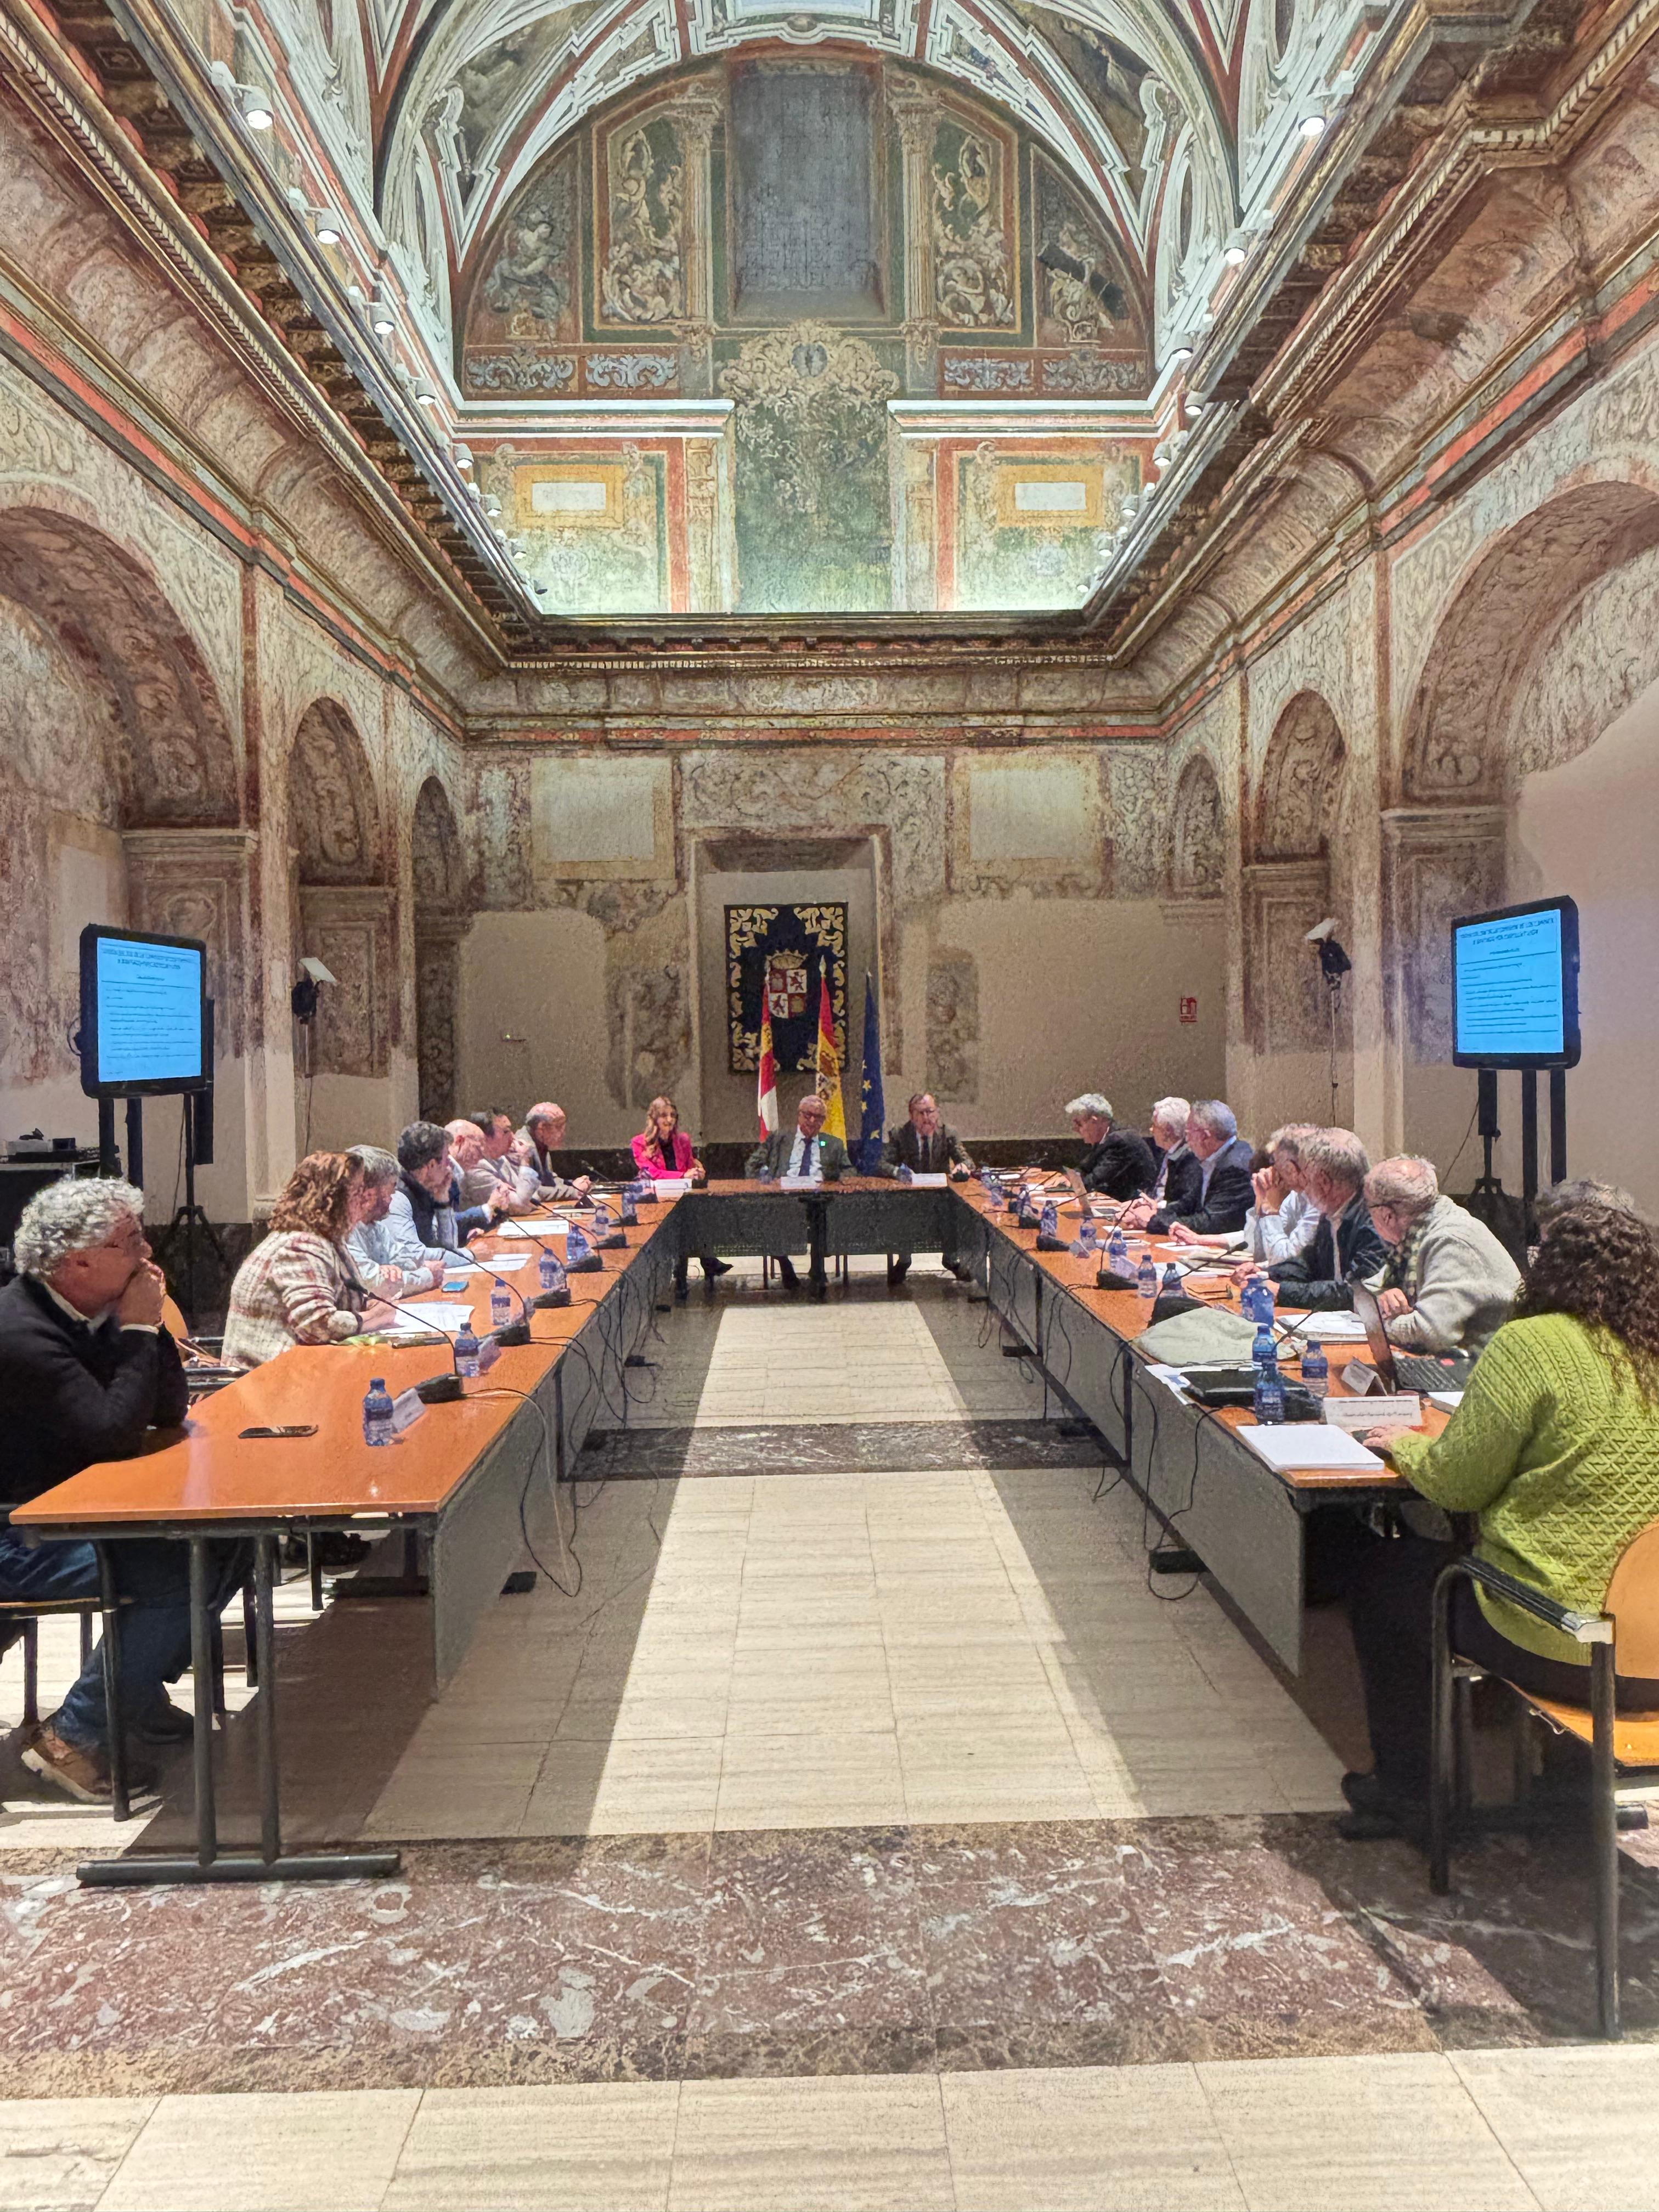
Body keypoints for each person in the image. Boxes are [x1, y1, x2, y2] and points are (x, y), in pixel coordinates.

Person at [1342, 1199, 1659, 1839]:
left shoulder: (1530, 1345)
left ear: (1548, 1270)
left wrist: (1402, 1443)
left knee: (1386, 1582)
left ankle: (1412, 1795)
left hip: (1565, 1644)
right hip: (1653, 1650)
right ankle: (1571, 1790)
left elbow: (1459, 1485)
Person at [0, 1180, 249, 1801]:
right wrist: (139, 1328)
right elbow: (113, 1433)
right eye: (128, 1241)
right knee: (177, 1567)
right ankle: (75, 1736)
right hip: (18, 1533)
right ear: (76, 1261)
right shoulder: (22, 1333)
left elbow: (163, 1409)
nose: (145, 1254)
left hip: (72, 1510)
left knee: (235, 1539)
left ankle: (131, 1695)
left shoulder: (89, 1308)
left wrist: (151, 1327)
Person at [223, 1153, 392, 1368]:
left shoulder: (328, 1239)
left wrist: (370, 1303)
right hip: (265, 1382)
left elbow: (343, 1298)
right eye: (358, 1192)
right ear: (331, 1199)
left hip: (300, 1371)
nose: (366, 1199)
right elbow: (317, 1324)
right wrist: (373, 1318)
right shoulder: (300, 1245)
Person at [1365, 1156, 1523, 1354]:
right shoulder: (1418, 1233)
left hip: (1489, 1367)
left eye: (1368, 1208)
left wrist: (1382, 1325)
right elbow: (1367, 1291)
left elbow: (1431, 1333)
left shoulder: (1450, 1240)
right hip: (1461, 1359)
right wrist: (1385, 1295)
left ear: (1387, 1216)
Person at [1239, 1128, 1387, 1311]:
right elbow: (1309, 1263)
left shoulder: (1375, 1221)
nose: (1301, 1185)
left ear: (1324, 1182)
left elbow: (1356, 1291)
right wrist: (1266, 1275)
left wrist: (1283, 1291)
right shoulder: (1332, 1212)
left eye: (1306, 1177)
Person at [746, 1093, 851, 1294]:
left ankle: (818, 1269)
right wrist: (763, 1179)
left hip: (817, 1198)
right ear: (799, 1115)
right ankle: (785, 1265)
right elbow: (753, 1164)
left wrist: (841, 1181)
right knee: (767, 1216)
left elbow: (848, 1169)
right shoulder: (779, 1138)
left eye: (818, 1118)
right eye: (808, 1115)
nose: (812, 1121)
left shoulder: (830, 1143)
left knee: (822, 1213)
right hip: (782, 1198)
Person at [633, 1095, 729, 1296]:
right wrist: (682, 1175)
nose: (669, 1120)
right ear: (654, 1118)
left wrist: (696, 1172)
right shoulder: (639, 1143)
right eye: (664, 1116)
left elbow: (689, 1167)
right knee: (685, 1222)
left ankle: (684, 1277)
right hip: (657, 1199)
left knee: (693, 1217)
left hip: (684, 1198)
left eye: (673, 1116)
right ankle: (705, 1261)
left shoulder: (683, 1140)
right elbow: (650, 1173)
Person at [877, 1093, 976, 1287]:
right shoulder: (900, 1134)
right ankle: (904, 1261)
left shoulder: (948, 1133)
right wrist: (898, 1172)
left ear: (937, 1113)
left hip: (941, 1197)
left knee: (956, 1214)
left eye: (930, 1112)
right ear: (912, 1115)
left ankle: (951, 1260)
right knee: (900, 1214)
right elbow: (882, 1163)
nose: (926, 1118)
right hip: (910, 1197)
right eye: (921, 1113)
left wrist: (962, 1167)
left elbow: (968, 1162)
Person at [384, 1120, 501, 1271]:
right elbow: (414, 1256)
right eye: (446, 1160)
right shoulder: (397, 1198)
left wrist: (442, 1201)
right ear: (432, 1165)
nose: (449, 1167)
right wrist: (471, 1255)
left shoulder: (427, 1191)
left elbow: (448, 1246)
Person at [1122, 1101, 1253, 1235]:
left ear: (1204, 1136)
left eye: (1188, 1132)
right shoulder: (1212, 1159)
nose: (1187, 1139)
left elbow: (1211, 1222)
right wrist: (1153, 1215)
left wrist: (1153, 1222)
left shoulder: (1235, 1167)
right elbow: (1188, 1204)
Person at [343, 1145, 442, 1300]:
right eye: (391, 1188)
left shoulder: (376, 1226)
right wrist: (428, 1276)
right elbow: (376, 1284)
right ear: (372, 1190)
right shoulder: (342, 1229)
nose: (393, 1196)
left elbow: (404, 1260)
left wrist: (415, 1268)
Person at [1063, 1093, 1155, 1203]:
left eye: (1079, 1124)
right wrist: (1065, 1179)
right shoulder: (1105, 1138)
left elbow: (1094, 1182)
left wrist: (1069, 1184)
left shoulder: (1120, 1141)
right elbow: (1084, 1169)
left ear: (1095, 1121)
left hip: (1137, 1208)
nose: (1076, 1129)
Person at [457, 1111, 538, 1215]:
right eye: (505, 1132)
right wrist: (524, 1161)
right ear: (484, 1137)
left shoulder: (501, 1159)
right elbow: (520, 1207)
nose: (513, 1137)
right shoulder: (475, 1168)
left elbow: (533, 1197)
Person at [518, 1103, 591, 1203]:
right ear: (541, 1128)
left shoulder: (541, 1144)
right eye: (559, 1126)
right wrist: (573, 1191)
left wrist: (573, 1185)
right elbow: (532, 1191)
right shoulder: (521, 1148)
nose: (563, 1133)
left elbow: (549, 1181)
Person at [1143, 1097, 1192, 1207]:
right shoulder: (1165, 1152)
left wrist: (1154, 1207)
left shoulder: (1188, 1158)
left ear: (1168, 1131)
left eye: (1155, 1125)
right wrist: (1143, 1202)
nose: (1151, 1130)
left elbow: (1182, 1203)